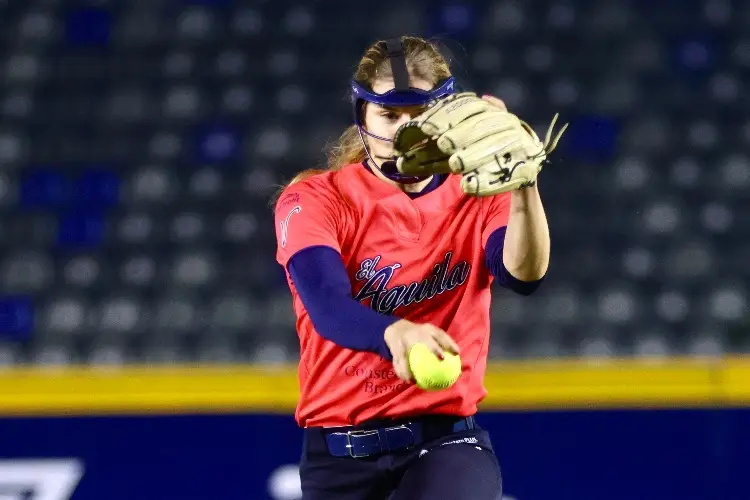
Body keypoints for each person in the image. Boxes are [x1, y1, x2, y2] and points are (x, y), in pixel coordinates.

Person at [273, 36, 550, 500]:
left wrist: (524, 187)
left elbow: (522, 275)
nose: (406, 131)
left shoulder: (478, 189)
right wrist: (396, 332)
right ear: (362, 116)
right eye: (389, 115)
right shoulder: (314, 200)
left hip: (444, 439)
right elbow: (327, 306)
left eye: (420, 113)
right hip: (336, 455)